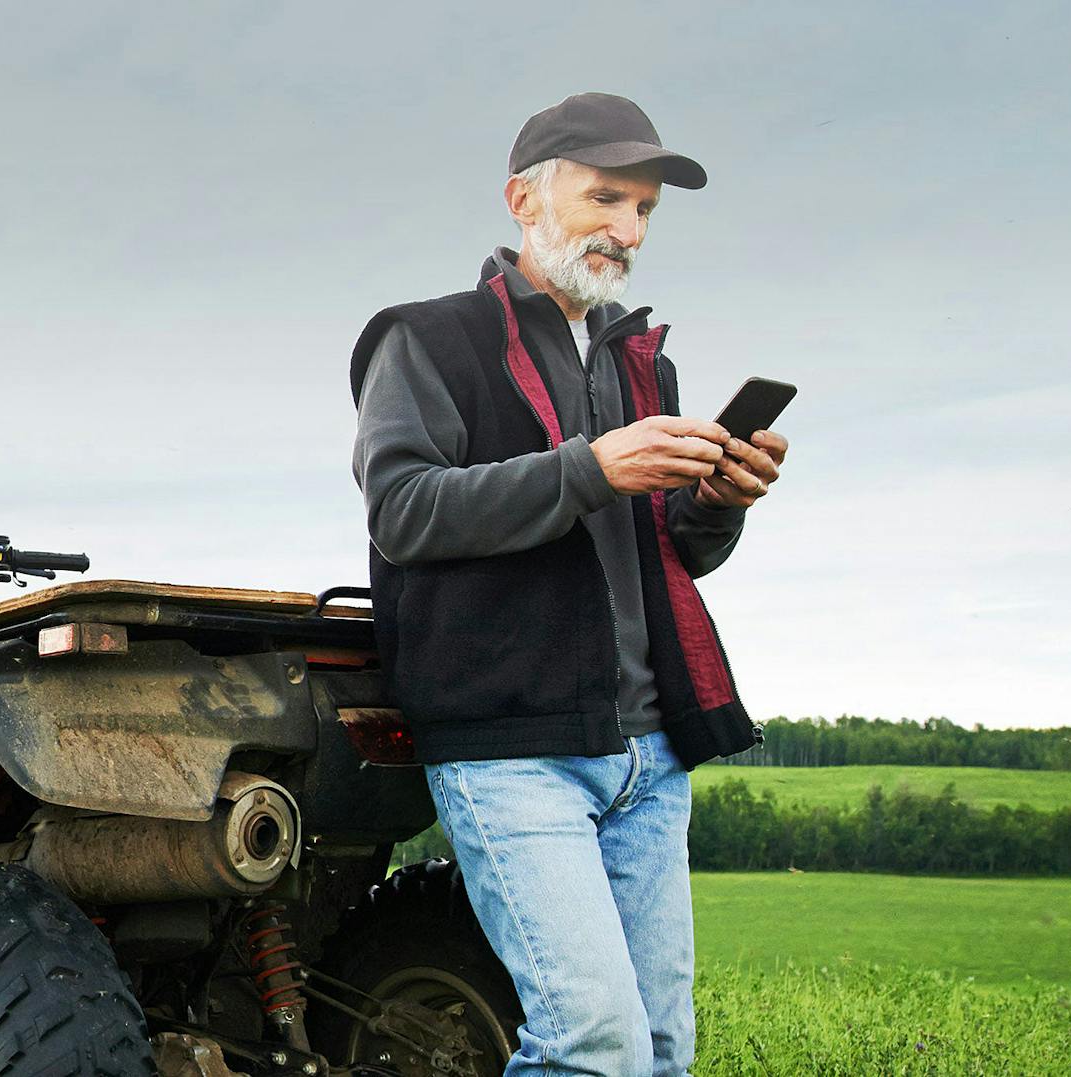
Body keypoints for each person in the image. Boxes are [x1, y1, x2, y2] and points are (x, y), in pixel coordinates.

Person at [348, 92, 790, 1076]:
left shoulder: (642, 366)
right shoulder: (422, 339)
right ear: (524, 198)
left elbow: (673, 555)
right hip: (514, 751)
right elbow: (404, 511)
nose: (627, 232)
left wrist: (721, 499)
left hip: (650, 755)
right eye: (606, 199)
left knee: (662, 1051)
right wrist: (592, 468)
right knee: (592, 1046)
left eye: (644, 212)